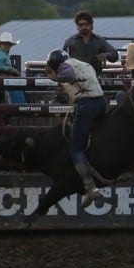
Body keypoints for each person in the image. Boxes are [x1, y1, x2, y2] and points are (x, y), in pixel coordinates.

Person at [44, 49, 106, 207]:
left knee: (76, 148)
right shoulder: (84, 64)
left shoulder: (65, 66)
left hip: (87, 105)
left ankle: (90, 187)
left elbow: (68, 75)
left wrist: (55, 77)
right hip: (101, 102)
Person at [62, 10, 119, 76]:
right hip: (76, 78)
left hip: (95, 77)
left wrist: (106, 55)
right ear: (77, 27)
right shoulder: (70, 42)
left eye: (86, 24)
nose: (84, 27)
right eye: (80, 25)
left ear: (91, 25)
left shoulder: (99, 41)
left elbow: (115, 55)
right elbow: (62, 61)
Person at [0, 31, 26, 104]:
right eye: (5, 44)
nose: (7, 46)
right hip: (2, 77)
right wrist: (10, 70)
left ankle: (19, 104)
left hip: (5, 77)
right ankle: (19, 105)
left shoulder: (3, 54)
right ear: (0, 45)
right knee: (16, 86)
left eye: (9, 45)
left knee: (18, 85)